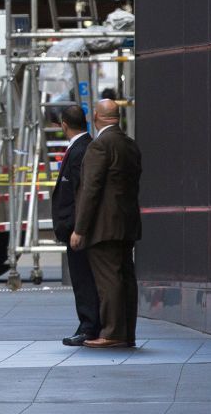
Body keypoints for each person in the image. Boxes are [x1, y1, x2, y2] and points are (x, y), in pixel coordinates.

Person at [71, 99, 142, 348]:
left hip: (103, 226)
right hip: (127, 224)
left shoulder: (100, 146)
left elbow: (91, 190)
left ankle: (111, 333)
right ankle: (126, 332)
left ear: (97, 118)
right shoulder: (130, 145)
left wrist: (79, 229)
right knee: (125, 278)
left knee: (108, 280)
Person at [50, 105, 99, 346]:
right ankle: (88, 324)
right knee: (82, 278)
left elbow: (81, 192)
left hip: (77, 229)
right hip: (75, 227)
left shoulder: (80, 150)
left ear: (64, 125)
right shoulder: (83, 147)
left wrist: (76, 227)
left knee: (83, 279)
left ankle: (89, 326)